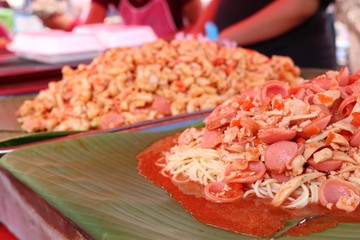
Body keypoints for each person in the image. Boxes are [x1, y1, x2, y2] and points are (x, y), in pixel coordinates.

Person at [192, 0, 337, 69]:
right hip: (234, 69)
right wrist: (197, 35)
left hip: (293, 63)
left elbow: (302, 4)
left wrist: (225, 38)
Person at [41, 0, 202, 39]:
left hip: (171, 53)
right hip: (129, 53)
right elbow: (90, 28)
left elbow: (201, 24)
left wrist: (161, 42)